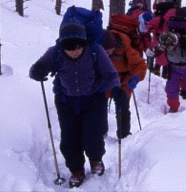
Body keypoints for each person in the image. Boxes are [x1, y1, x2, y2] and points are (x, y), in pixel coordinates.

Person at [29, 22, 121, 188]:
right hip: (66, 101)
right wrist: (37, 71)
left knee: (93, 135)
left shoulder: (95, 51)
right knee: (69, 139)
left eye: (78, 47)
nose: (75, 51)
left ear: (84, 42)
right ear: (62, 45)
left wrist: (115, 88)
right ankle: (76, 169)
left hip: (94, 99)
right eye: (69, 48)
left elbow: (110, 74)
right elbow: (38, 66)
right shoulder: (55, 52)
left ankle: (95, 159)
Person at [101, 31, 146, 139]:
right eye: (105, 51)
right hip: (104, 80)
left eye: (109, 50)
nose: (108, 53)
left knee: (122, 107)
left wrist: (135, 77)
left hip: (123, 81)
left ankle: (124, 135)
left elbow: (140, 65)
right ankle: (101, 132)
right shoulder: (96, 48)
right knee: (100, 106)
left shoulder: (125, 47)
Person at [152, 26, 186, 113]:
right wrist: (152, 52)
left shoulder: (185, 40)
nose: (169, 50)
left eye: (170, 47)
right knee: (171, 88)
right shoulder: (165, 41)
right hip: (173, 68)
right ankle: (173, 107)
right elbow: (159, 49)